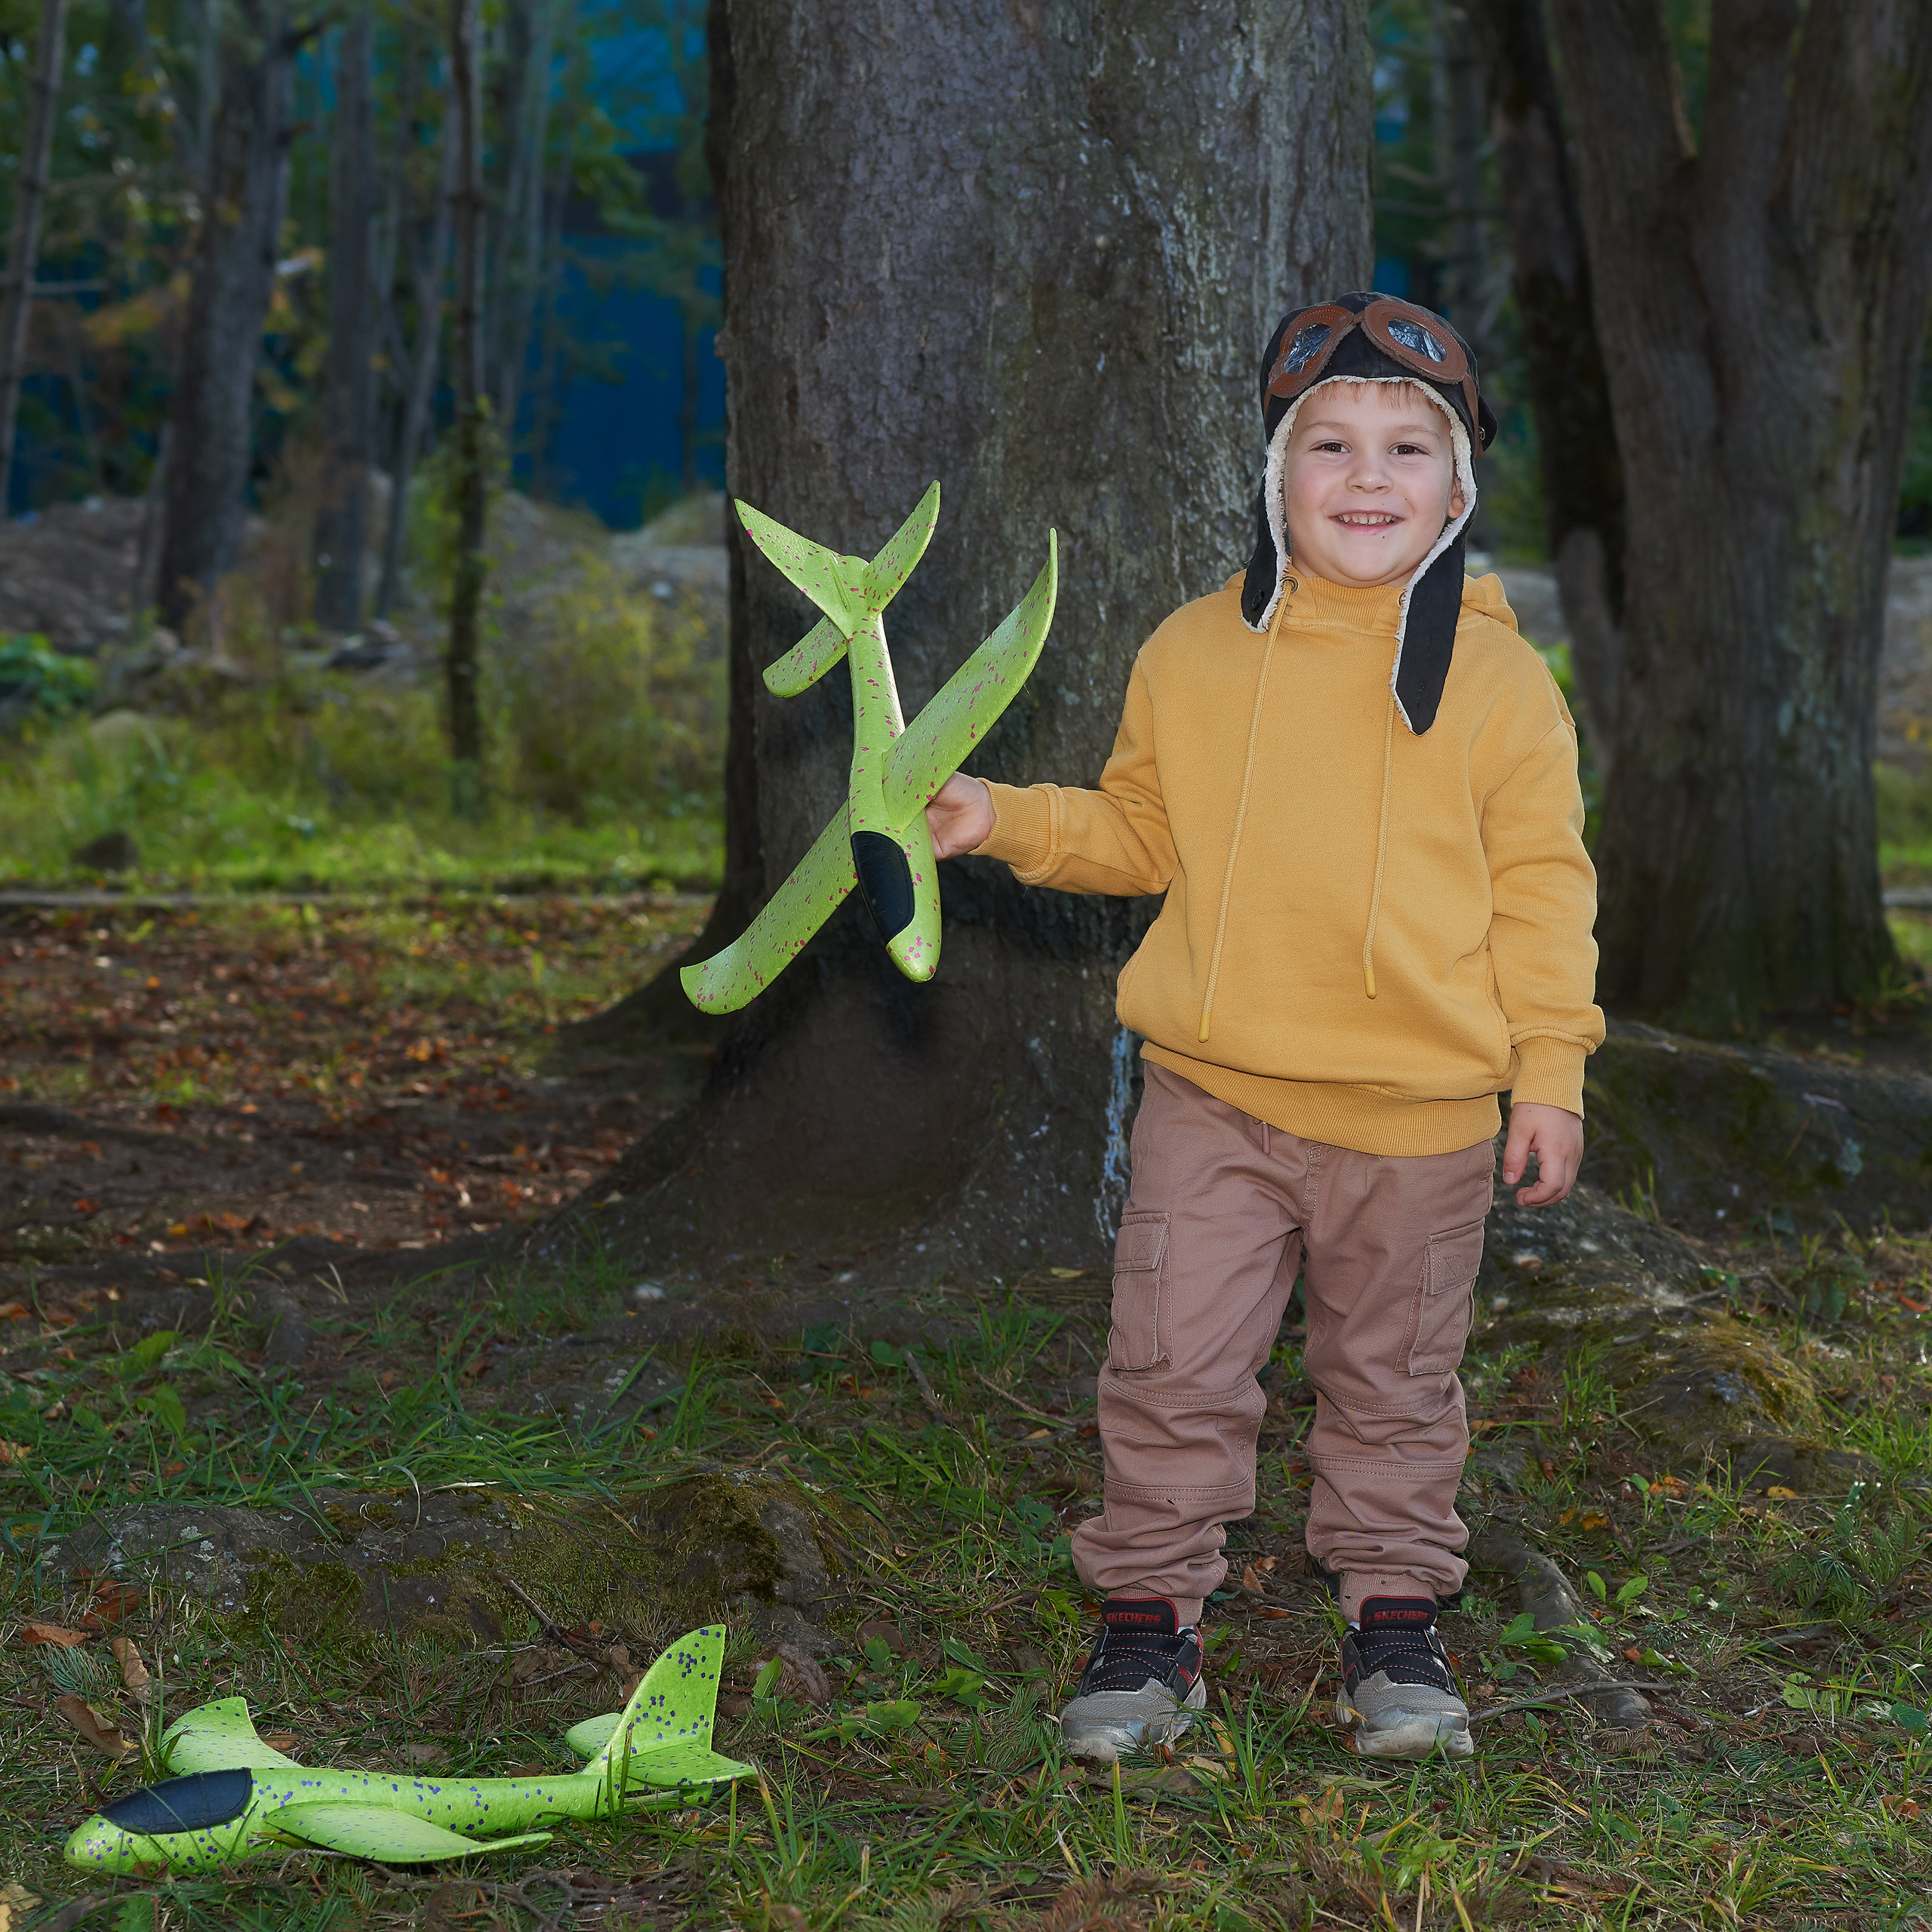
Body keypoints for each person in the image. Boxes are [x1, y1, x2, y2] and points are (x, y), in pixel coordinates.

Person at [924, 292, 1602, 1764]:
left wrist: (1548, 1072)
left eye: (1406, 448)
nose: (1366, 476)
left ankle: (1395, 1618)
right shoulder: (1193, 652)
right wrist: (1001, 818)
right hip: (1212, 1097)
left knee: (1392, 1384)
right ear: (1274, 477)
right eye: (1328, 444)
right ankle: (1147, 1623)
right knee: (1170, 1362)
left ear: (1457, 487)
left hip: (1418, 1119)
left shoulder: (1499, 684)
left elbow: (1545, 894)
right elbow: (1139, 831)